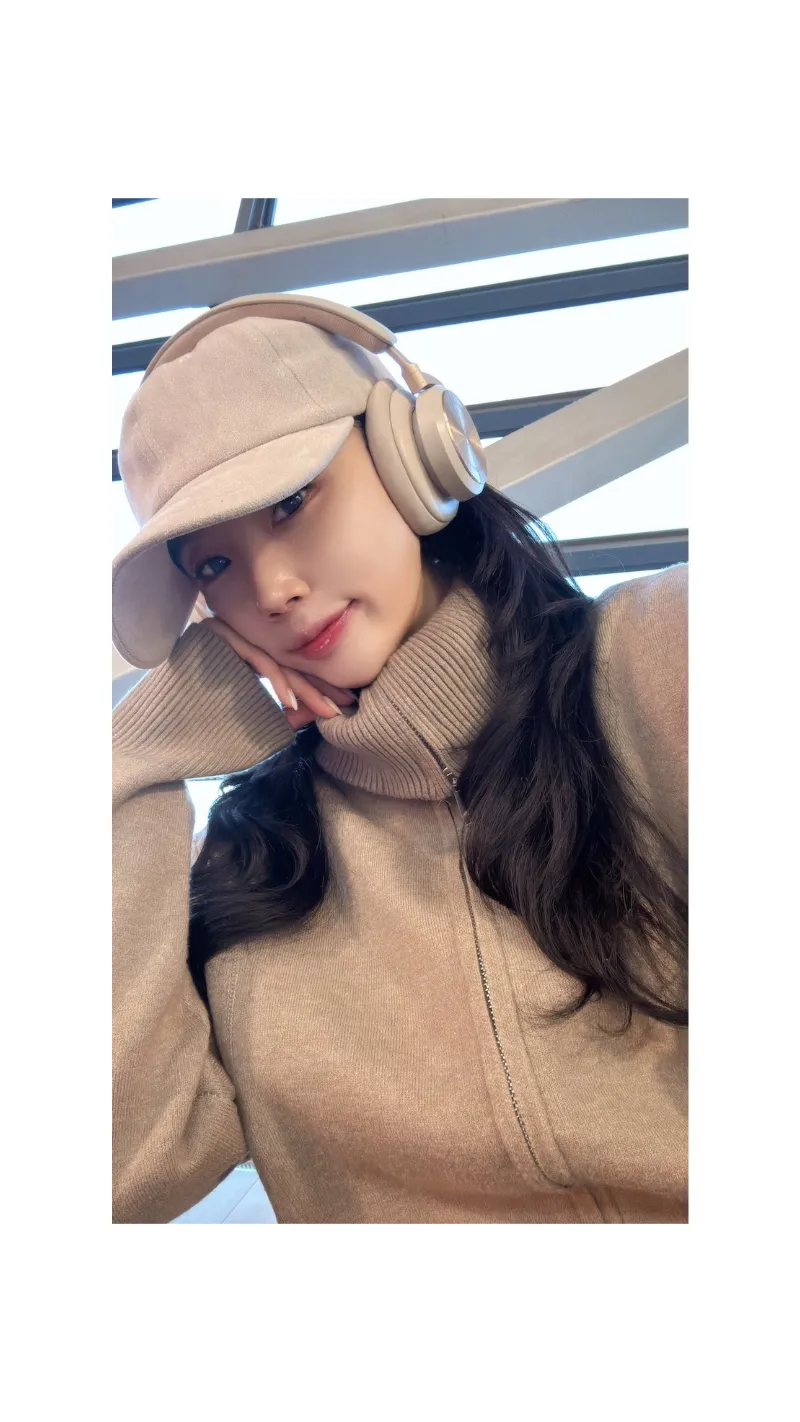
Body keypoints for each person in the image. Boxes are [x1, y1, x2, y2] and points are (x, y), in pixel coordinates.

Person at [112, 293, 688, 1225]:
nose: (272, 588)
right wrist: (132, 763)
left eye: (292, 501)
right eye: (212, 565)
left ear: (414, 455)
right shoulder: (250, 868)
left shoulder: (666, 658)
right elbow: (118, 1173)